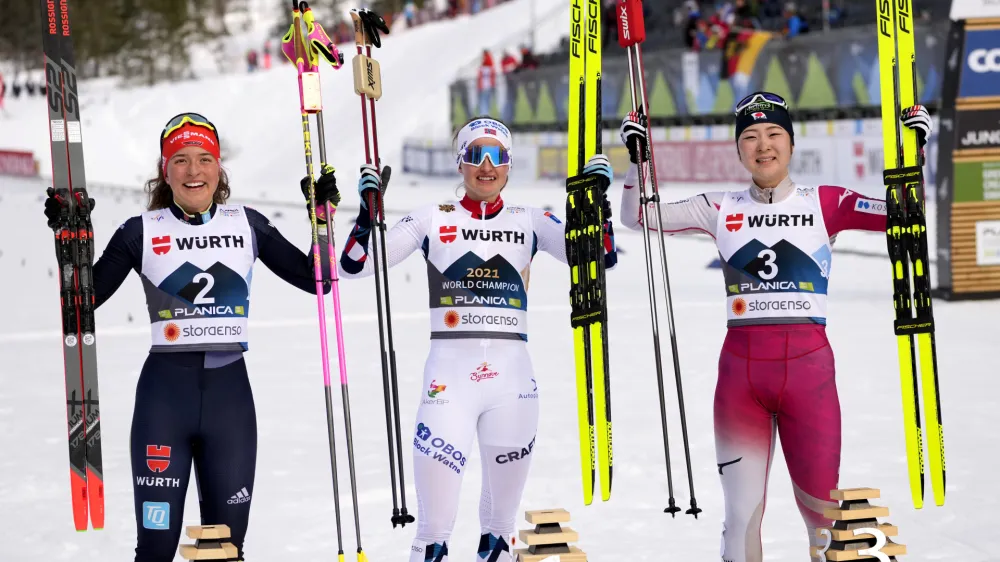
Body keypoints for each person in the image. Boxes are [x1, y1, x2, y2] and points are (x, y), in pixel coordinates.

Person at [617, 93, 932, 562]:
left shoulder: (827, 202)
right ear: (739, 149)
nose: (762, 146)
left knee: (826, 520)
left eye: (773, 134)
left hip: (811, 383)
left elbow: (904, 212)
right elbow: (637, 215)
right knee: (741, 520)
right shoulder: (718, 206)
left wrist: (915, 151)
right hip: (741, 384)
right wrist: (637, 162)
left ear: (790, 141)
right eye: (749, 137)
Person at [42, 113, 341, 562]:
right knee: (157, 549)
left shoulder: (248, 223)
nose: (193, 170)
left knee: (223, 550)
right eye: (180, 160)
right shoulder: (140, 231)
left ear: (219, 168)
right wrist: (70, 239)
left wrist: (322, 218)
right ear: (165, 171)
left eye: (204, 159)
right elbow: (81, 306)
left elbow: (318, 280)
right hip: (165, 399)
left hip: (230, 404)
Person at [337, 116, 617, 562]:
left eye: (497, 156)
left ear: (508, 164)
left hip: (513, 386)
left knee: (500, 534)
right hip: (449, 386)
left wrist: (595, 207)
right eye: (475, 155)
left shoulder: (532, 220)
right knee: (432, 537)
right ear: (460, 163)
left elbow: (598, 259)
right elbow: (356, 265)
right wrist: (366, 219)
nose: (486, 167)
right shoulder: (432, 218)